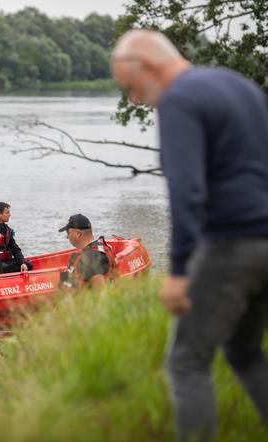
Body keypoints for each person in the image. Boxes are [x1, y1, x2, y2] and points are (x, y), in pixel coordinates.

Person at [112, 30, 268, 441]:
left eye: (130, 86)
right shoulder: (240, 86)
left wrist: (180, 269)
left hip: (231, 244)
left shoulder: (178, 99)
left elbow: (187, 192)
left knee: (185, 363)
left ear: (146, 66)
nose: (134, 100)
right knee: (245, 351)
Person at [58, 214, 113, 291]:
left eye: (68, 233)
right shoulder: (98, 248)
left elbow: (101, 293)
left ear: (78, 234)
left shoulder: (90, 258)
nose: (67, 237)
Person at [0, 202, 33, 274]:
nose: (9, 215)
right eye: (7, 213)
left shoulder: (7, 230)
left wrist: (22, 262)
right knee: (2, 268)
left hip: (5, 262)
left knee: (28, 264)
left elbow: (15, 249)